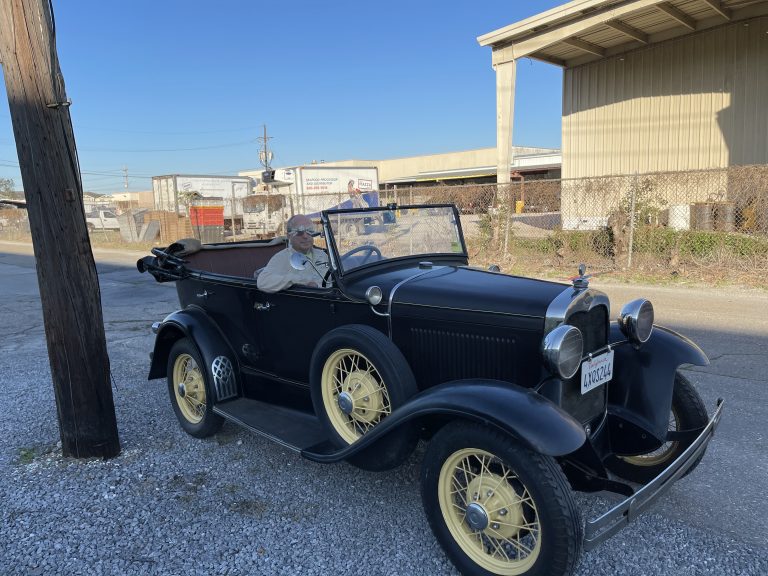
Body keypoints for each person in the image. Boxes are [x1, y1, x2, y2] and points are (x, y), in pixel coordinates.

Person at [256, 214, 329, 293]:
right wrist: (298, 280)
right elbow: (263, 282)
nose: (305, 236)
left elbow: (332, 281)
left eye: (309, 231)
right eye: (299, 232)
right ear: (289, 236)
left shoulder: (322, 255)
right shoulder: (282, 257)